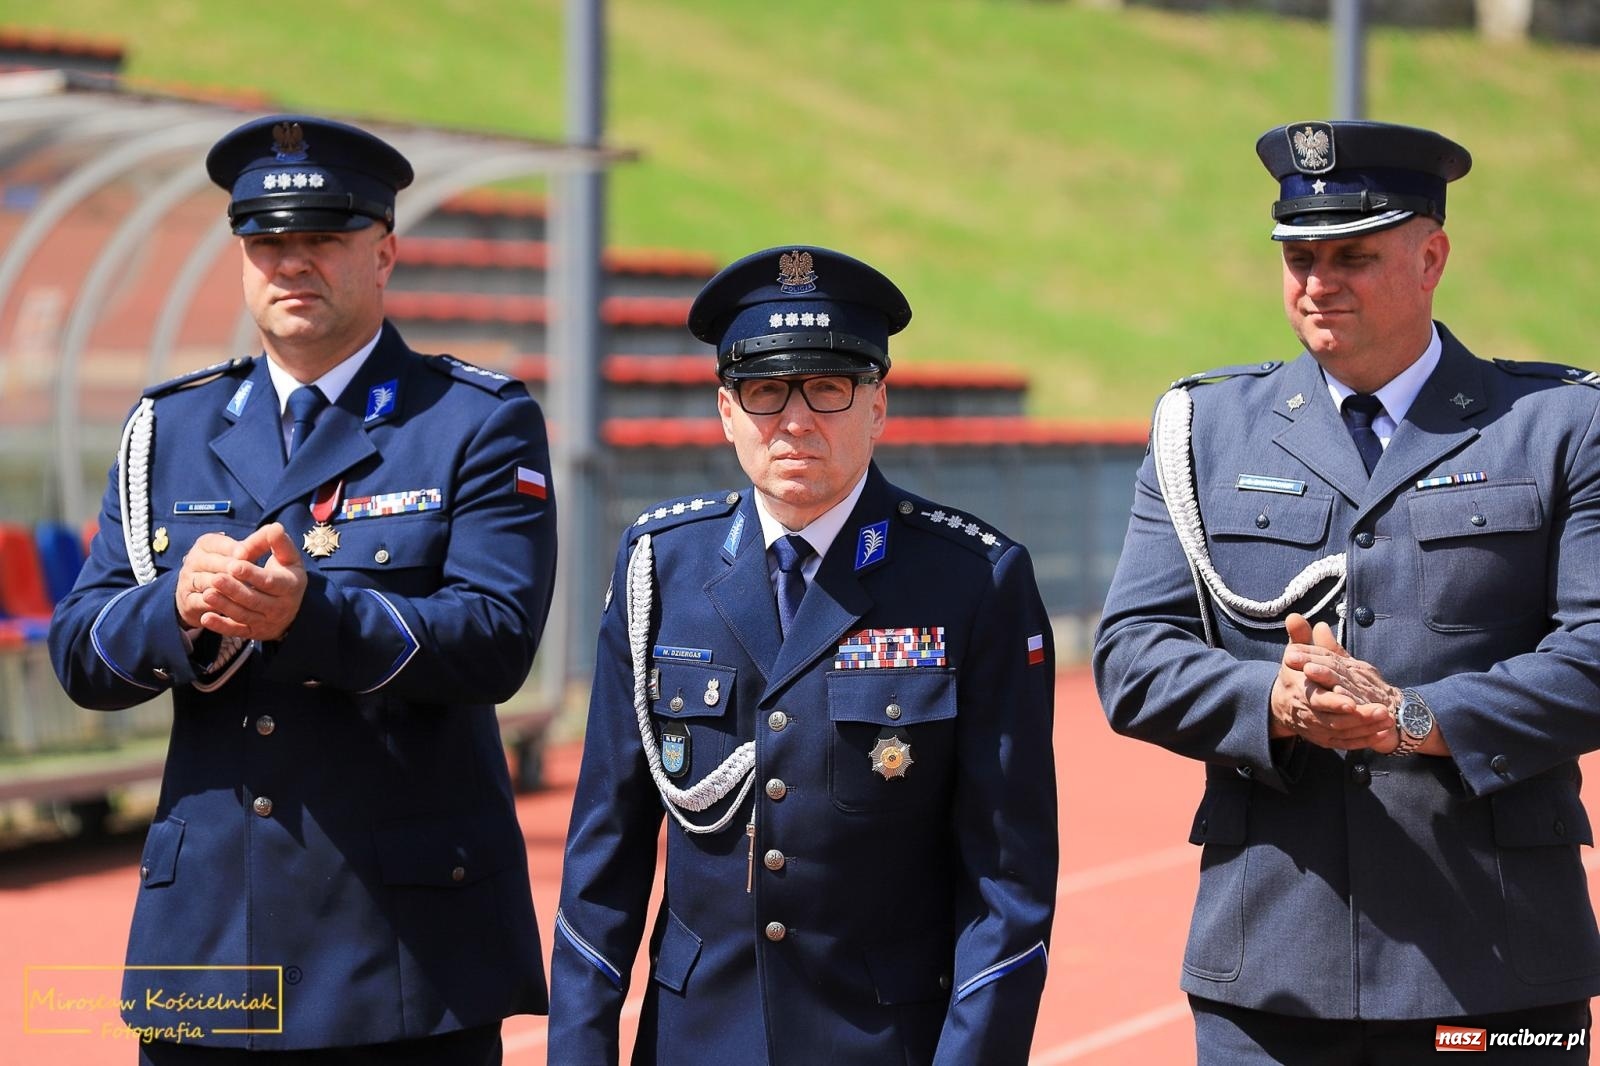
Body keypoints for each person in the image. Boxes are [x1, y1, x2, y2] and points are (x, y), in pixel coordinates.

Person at [48, 114, 555, 1064]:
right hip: (208, 945)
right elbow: (81, 648)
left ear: (385, 252)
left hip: (399, 948)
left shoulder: (474, 422)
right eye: (267, 243)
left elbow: (496, 640)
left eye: (323, 237)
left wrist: (311, 617)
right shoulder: (169, 426)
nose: (291, 264)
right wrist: (179, 612)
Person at [1094, 119, 1600, 1063]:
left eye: (1353, 255)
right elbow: (1131, 654)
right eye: (1299, 256)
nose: (1319, 282)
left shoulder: (1559, 426)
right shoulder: (1204, 430)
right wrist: (1270, 700)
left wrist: (1414, 718)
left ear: (1431, 257)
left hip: (1493, 964)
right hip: (1274, 959)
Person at [548, 245, 1058, 1064]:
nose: (793, 420)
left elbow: (1008, 881)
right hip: (696, 1039)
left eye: (827, 387)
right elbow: (602, 855)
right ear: (724, 411)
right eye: (763, 390)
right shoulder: (660, 568)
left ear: (878, 404)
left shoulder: (972, 580)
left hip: (881, 1039)